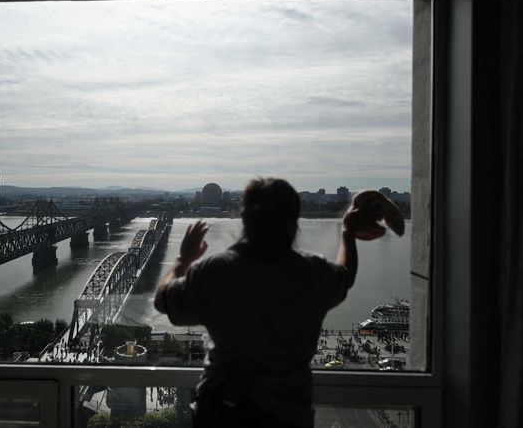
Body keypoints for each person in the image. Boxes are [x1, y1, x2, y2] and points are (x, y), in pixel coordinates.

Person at [154, 177, 390, 428]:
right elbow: (345, 276)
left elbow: (163, 301)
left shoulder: (216, 271)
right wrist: (348, 233)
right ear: (292, 223)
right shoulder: (311, 272)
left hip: (221, 410)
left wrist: (183, 259)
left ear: (244, 219)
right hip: (287, 414)